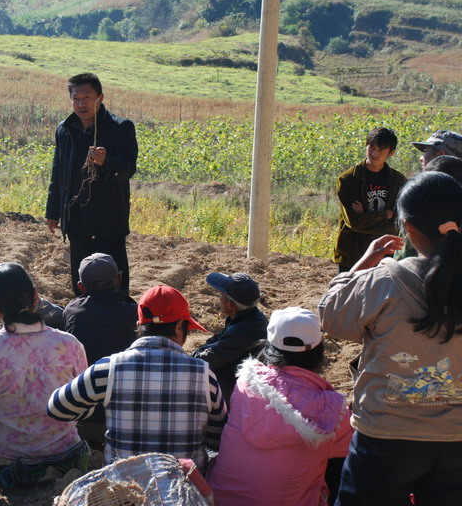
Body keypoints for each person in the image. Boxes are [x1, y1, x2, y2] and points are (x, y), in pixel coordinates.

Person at [320, 171, 462, 505]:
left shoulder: (384, 280)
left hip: (385, 440)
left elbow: (332, 316)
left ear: (408, 228)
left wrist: (362, 264)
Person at [48, 285, 227, 470]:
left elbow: (57, 407)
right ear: (180, 326)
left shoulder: (109, 368)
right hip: (185, 491)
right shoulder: (204, 374)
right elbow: (218, 440)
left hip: (123, 493)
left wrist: (90, 410)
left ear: (140, 324)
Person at [206, 307, 353, 506]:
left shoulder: (246, 383)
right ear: (319, 350)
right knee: (347, 460)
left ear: (268, 348)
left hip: (219, 500)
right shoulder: (331, 411)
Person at [0, 262, 88, 487]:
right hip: (64, 456)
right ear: (36, 297)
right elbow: (80, 403)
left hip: (4, 463)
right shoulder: (69, 345)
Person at [45, 73, 138, 296]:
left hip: (108, 219)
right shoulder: (65, 130)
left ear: (100, 98)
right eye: (76, 98)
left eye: (87, 97)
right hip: (77, 219)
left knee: (115, 281)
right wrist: (53, 211)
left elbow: (128, 168)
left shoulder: (121, 128)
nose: (81, 103)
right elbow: (58, 172)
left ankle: (120, 321)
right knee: (81, 280)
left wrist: (107, 161)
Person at [62, 253, 137, 445]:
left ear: (80, 286)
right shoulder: (133, 313)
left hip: (83, 418)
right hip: (124, 419)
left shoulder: (72, 312)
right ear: (119, 279)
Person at [334, 127, 406, 273]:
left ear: (391, 153)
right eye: (371, 147)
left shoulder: (399, 181)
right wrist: (385, 215)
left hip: (385, 255)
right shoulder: (348, 180)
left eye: (381, 149)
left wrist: (367, 215)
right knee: (349, 294)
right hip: (353, 254)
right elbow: (354, 222)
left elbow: (399, 223)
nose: (374, 153)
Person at [192, 272, 267, 405]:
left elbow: (205, 359)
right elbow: (215, 341)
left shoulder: (243, 331)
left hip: (239, 397)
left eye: (220, 295)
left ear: (231, 304)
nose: (218, 298)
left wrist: (190, 356)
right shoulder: (251, 317)